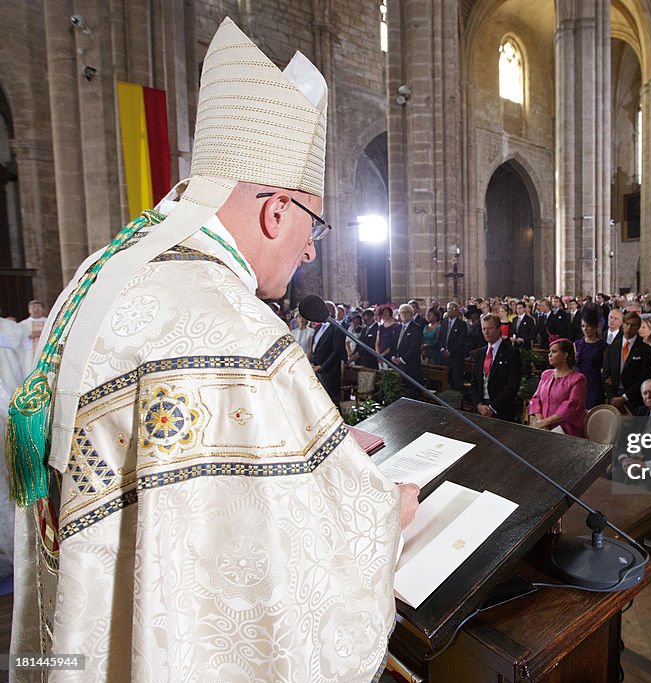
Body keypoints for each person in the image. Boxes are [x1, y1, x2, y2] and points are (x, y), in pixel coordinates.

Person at [7, 18, 417, 680]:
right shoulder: (233, 332)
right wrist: (386, 517)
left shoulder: (96, 274)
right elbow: (286, 584)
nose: (312, 248)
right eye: (314, 225)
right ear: (276, 210)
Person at [528, 339, 587, 436]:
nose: (549, 354)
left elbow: (572, 406)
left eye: (554, 351)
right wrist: (541, 421)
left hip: (566, 432)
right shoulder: (546, 374)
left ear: (565, 355)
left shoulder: (578, 379)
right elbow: (536, 399)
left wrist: (547, 421)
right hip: (543, 429)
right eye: (549, 351)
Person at [473, 313, 523, 421]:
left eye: (490, 328)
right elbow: (474, 382)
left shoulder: (511, 353)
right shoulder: (480, 353)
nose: (486, 332)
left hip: (501, 410)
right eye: (484, 328)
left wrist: (493, 407)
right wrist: (478, 405)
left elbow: (512, 385)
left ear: (498, 329)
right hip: (481, 408)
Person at [603, 311, 651, 414]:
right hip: (614, 399)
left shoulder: (646, 350)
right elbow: (605, 375)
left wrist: (624, 398)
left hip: (634, 399)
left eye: (633, 325)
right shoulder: (612, 348)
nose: (629, 328)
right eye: (627, 324)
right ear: (623, 325)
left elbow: (644, 377)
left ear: (638, 327)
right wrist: (613, 397)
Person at [574, 303, 607, 410]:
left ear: (596, 327)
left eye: (589, 326)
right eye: (583, 326)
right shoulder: (577, 344)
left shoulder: (603, 346)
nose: (586, 329)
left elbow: (605, 367)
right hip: (578, 384)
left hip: (594, 385)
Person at [393, 303, 425, 394]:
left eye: (406, 312)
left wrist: (402, 359)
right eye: (402, 313)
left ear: (411, 313)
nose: (404, 315)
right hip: (397, 362)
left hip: (410, 364)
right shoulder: (397, 328)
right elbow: (393, 344)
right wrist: (393, 356)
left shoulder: (416, 328)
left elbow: (414, 347)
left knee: (411, 390)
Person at [439, 301, 468, 390]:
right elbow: (440, 337)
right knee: (446, 380)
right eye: (448, 309)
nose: (450, 311)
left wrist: (450, 351)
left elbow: (461, 341)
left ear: (457, 311)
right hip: (444, 357)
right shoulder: (444, 322)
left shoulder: (462, 324)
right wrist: (442, 349)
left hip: (456, 357)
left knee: (456, 381)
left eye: (452, 309)